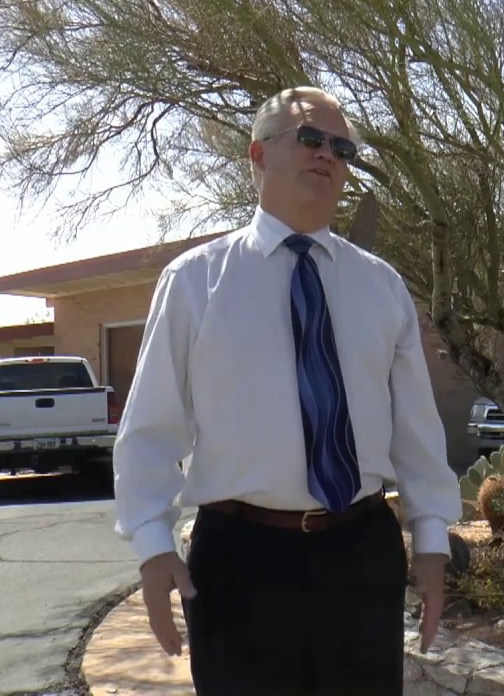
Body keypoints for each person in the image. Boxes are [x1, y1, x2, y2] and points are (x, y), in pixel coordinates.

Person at [112, 85, 463, 696]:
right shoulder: (195, 283)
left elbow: (416, 430)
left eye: (342, 148)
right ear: (257, 153)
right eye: (310, 138)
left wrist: (432, 540)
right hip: (240, 565)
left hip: (360, 555)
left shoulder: (381, 287)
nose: (328, 154)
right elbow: (149, 429)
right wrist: (152, 544)